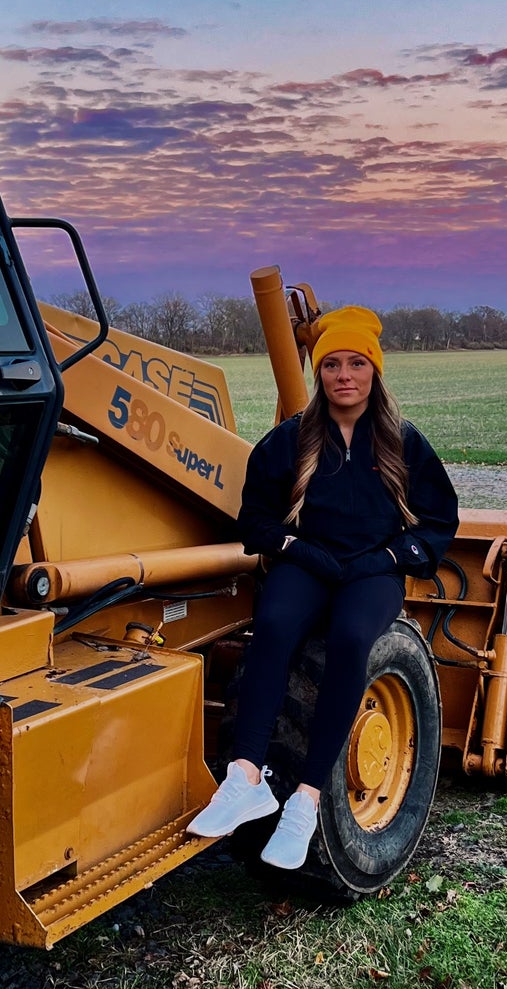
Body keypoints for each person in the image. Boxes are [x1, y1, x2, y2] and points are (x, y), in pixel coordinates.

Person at [189, 305, 459, 869]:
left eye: (356, 363)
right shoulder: (289, 440)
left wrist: (389, 556)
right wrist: (294, 548)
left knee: (351, 639)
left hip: (373, 573)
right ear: (318, 373)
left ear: (374, 372)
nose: (344, 375)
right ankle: (245, 776)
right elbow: (255, 519)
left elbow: (439, 521)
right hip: (307, 563)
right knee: (276, 624)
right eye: (331, 363)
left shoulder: (403, 443)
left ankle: (307, 800)